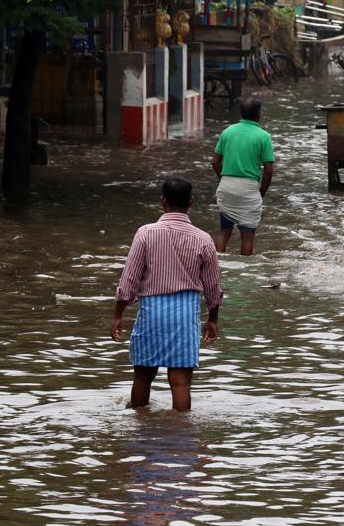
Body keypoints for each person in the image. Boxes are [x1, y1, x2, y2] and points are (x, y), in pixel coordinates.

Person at [111, 177, 223, 412]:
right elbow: (213, 286)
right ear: (191, 201)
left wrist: (118, 314)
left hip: (152, 311)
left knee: (143, 378)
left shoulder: (145, 234)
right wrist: (212, 319)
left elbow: (129, 277)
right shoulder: (203, 239)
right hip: (185, 315)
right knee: (180, 382)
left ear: (163, 201)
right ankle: (181, 436)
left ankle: (140, 428)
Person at [211, 98, 274, 256]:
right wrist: (261, 193)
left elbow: (215, 161)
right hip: (249, 189)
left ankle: (217, 267)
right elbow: (268, 170)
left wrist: (224, 179)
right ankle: (245, 275)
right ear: (258, 114)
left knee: (224, 231)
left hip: (226, 187)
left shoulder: (228, 131)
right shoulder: (263, 136)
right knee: (247, 238)